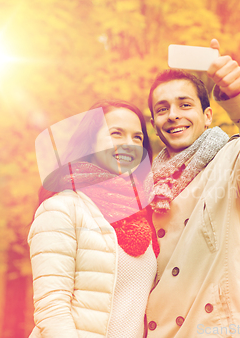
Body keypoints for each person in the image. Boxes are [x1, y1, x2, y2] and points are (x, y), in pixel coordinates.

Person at [144, 39, 240, 337]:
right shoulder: (146, 189)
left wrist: (239, 96)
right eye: (162, 109)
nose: (173, 114)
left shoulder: (236, 160)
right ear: (154, 122)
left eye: (184, 104)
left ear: (208, 115)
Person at [28, 99, 159, 338]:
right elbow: (52, 311)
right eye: (116, 134)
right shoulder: (62, 208)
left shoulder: (145, 215)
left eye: (137, 138)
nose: (128, 145)